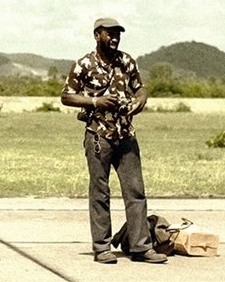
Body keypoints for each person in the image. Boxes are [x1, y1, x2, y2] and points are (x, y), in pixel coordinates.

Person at [60, 18, 167, 265]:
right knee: (100, 192)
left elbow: (140, 88)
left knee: (135, 191)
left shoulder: (127, 61)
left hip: (126, 135)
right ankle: (102, 248)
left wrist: (141, 101)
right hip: (99, 135)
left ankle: (141, 247)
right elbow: (66, 96)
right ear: (98, 35)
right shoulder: (84, 65)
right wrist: (96, 102)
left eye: (118, 34)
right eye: (110, 34)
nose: (115, 38)